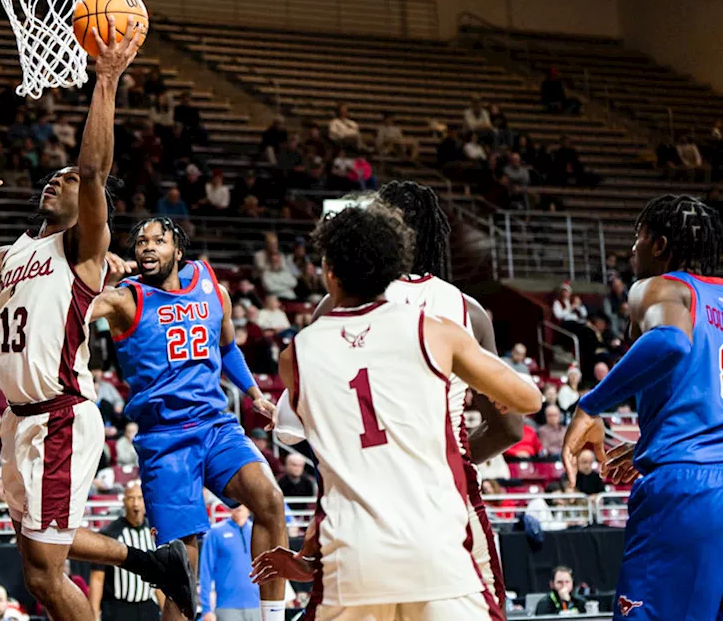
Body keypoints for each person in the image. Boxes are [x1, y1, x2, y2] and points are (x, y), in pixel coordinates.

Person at [0, 21, 195, 621]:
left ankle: (153, 565)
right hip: (18, 419)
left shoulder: (83, 251)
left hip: (60, 415)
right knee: (34, 564)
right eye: (55, 177)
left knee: (48, 574)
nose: (60, 179)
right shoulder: (12, 255)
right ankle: (153, 563)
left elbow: (96, 170)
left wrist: (105, 80)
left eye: (69, 179)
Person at [254, 201, 541, 619]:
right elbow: (528, 400)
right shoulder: (435, 331)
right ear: (393, 266)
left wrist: (308, 555)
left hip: (354, 553)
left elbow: (334, 464)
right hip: (434, 546)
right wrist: (493, 389)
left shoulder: (296, 356)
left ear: (329, 271)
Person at [89, 216, 288, 621]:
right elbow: (75, 309)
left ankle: (273, 616)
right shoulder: (126, 298)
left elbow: (227, 345)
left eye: (158, 241)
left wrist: (254, 394)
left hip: (216, 426)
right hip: (164, 440)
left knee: (270, 500)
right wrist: (94, 276)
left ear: (178, 251)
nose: (147, 247)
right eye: (140, 242)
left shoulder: (210, 285)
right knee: (184, 572)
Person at [562, 195, 723, 621]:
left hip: (688, 492)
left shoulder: (662, 287)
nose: (632, 248)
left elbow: (670, 342)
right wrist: (658, 440)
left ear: (660, 245)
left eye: (639, 238)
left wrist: (591, 405)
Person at [90, 482, 161, 621]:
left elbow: (158, 578)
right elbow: (97, 578)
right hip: (118, 609)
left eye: (140, 498)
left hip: (148, 607)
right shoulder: (110, 533)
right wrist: (94, 614)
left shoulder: (153, 532)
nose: (136, 504)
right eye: (131, 498)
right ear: (124, 501)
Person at [199, 505, 261, 621]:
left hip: (258, 606)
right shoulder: (215, 533)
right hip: (227, 607)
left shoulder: (258, 532)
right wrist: (206, 609)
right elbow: (205, 571)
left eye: (241, 501)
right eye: (234, 502)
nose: (238, 505)